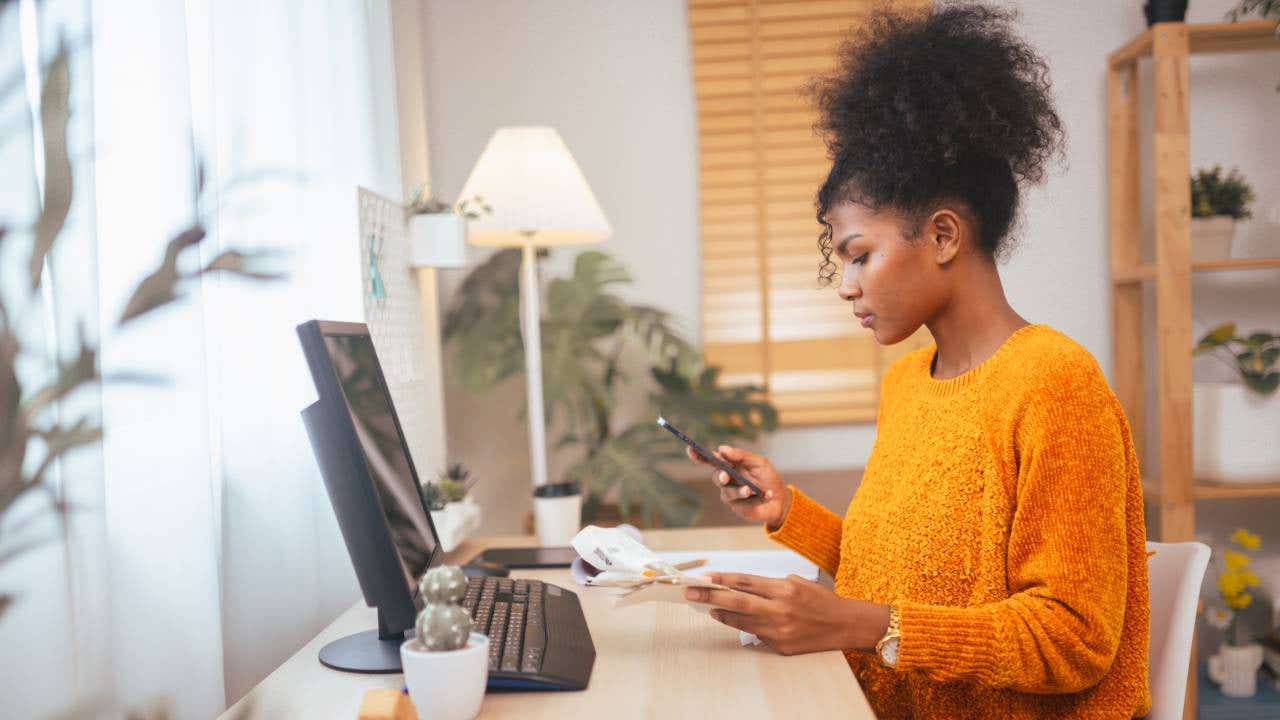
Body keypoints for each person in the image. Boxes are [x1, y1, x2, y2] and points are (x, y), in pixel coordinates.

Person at [682, 4, 1150, 719]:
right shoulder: (908, 382)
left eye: (860, 254)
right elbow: (900, 570)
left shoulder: (1056, 384)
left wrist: (855, 624)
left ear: (941, 236)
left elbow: (1074, 640)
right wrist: (787, 512)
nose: (845, 284)